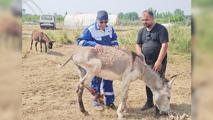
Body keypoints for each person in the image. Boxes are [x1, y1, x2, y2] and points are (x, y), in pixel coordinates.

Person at [77, 10, 118, 110]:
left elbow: (114, 39)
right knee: (96, 81)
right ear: (97, 20)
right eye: (101, 22)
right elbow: (80, 41)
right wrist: (94, 44)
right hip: (96, 61)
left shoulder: (110, 28)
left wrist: (115, 45)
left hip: (108, 60)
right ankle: (97, 102)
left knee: (108, 80)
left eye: (105, 22)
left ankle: (109, 102)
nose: (103, 24)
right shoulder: (90, 30)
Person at [135, 10, 169, 111]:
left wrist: (159, 61)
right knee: (148, 82)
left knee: (158, 82)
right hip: (146, 63)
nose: (145, 22)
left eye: (147, 19)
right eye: (143, 20)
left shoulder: (161, 29)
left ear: (152, 18)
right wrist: (140, 55)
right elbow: (138, 44)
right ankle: (149, 102)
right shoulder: (142, 31)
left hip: (158, 62)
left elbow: (164, 45)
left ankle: (159, 107)